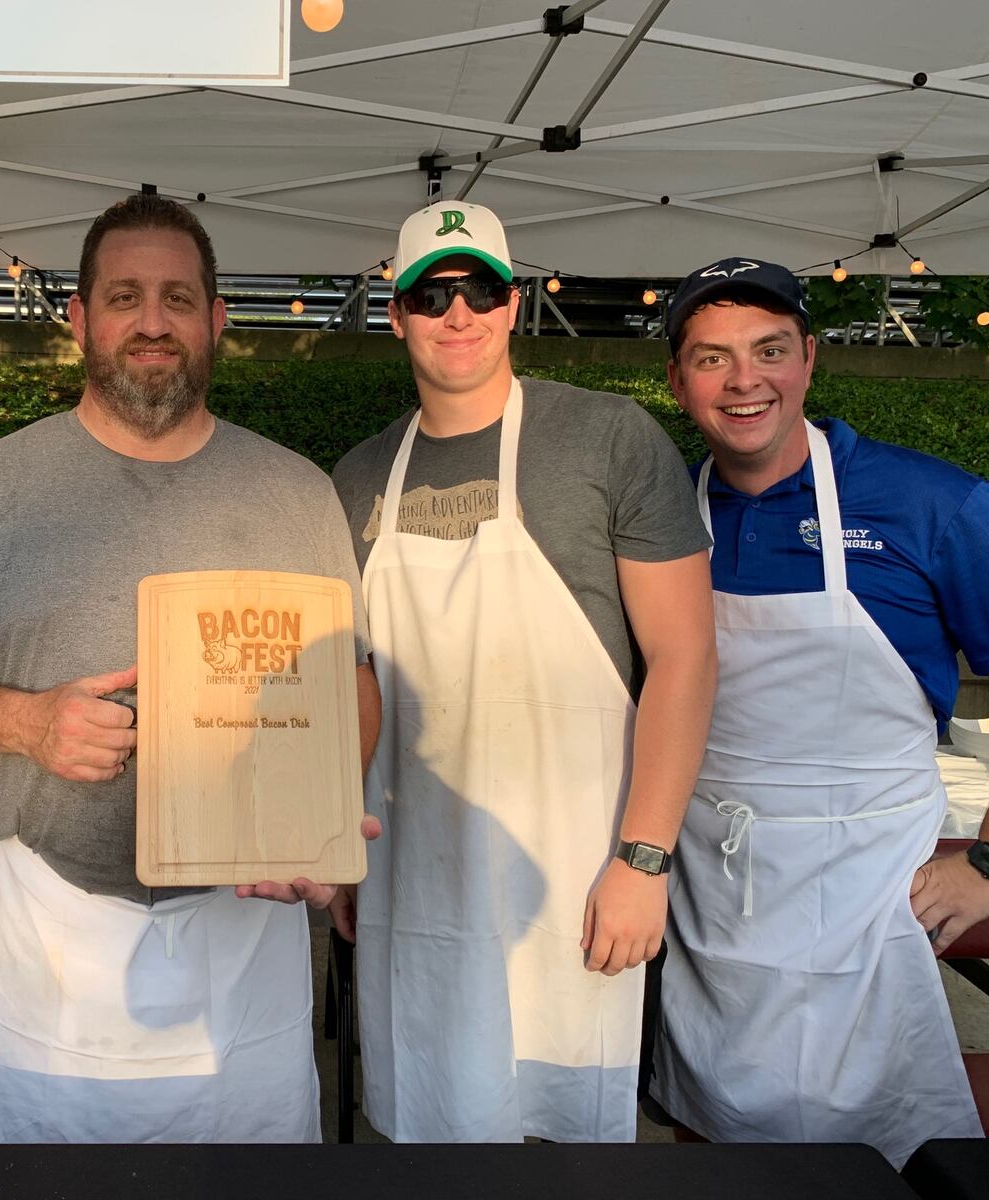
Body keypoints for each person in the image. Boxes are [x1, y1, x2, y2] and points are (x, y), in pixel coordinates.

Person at [0, 192, 381, 1144]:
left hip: (248, 927)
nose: (153, 322)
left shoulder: (294, 490)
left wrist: (321, 814)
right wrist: (25, 724)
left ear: (218, 320)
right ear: (80, 320)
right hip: (57, 929)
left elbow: (349, 682)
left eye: (179, 299)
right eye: (126, 297)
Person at [330, 200, 717, 1143]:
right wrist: (336, 836)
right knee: (427, 1122)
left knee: (564, 1133)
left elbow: (685, 658)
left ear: (514, 304)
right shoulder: (357, 477)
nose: (457, 313)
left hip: (580, 871)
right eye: (432, 294)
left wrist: (644, 859)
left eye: (481, 290)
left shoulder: (608, 439)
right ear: (398, 315)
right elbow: (355, 679)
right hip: (414, 874)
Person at [650, 257, 989, 1167]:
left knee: (881, 1159)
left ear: (810, 357)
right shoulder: (660, 518)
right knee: (718, 1143)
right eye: (711, 357)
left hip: (873, 898)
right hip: (711, 898)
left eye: (769, 350)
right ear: (676, 378)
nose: (744, 381)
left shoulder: (937, 505)